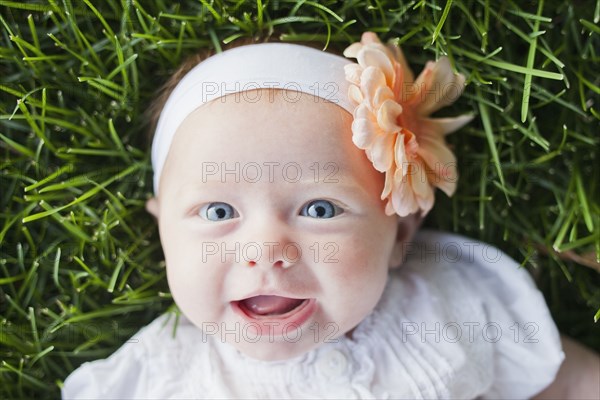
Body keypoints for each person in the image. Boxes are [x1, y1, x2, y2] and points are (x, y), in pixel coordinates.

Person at [62, 32, 599, 399]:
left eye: (320, 208)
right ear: (162, 230)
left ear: (400, 231)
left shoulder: (449, 304)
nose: (267, 250)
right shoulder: (160, 376)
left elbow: (569, 383)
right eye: (219, 210)